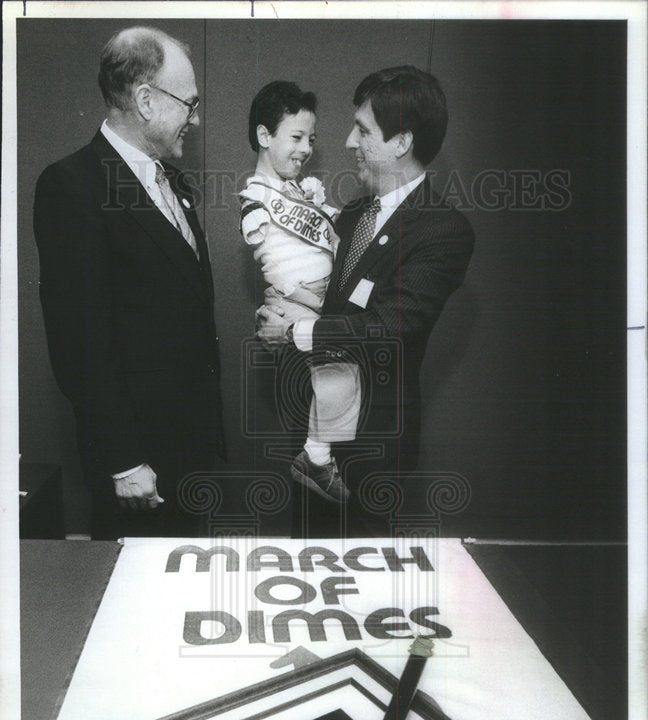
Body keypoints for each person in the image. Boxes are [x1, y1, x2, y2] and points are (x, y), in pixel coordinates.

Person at [257, 66, 475, 535]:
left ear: (401, 143)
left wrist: (294, 332)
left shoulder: (444, 231)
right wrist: (280, 313)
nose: (349, 142)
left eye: (363, 130)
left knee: (362, 591)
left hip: (373, 454)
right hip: (311, 440)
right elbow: (324, 301)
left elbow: (390, 325)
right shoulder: (352, 214)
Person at [33, 26, 225, 538]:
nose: (196, 118)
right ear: (145, 99)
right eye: (190, 103)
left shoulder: (173, 184)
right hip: (141, 472)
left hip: (190, 458)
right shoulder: (73, 185)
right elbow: (79, 341)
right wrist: (124, 460)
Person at [240, 81, 360, 505]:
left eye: (311, 138)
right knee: (339, 372)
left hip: (312, 305)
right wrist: (301, 299)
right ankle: (316, 456)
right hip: (296, 305)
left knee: (340, 374)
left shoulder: (297, 192)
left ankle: (316, 455)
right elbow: (265, 244)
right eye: (296, 137)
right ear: (263, 136)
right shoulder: (257, 196)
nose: (307, 147)